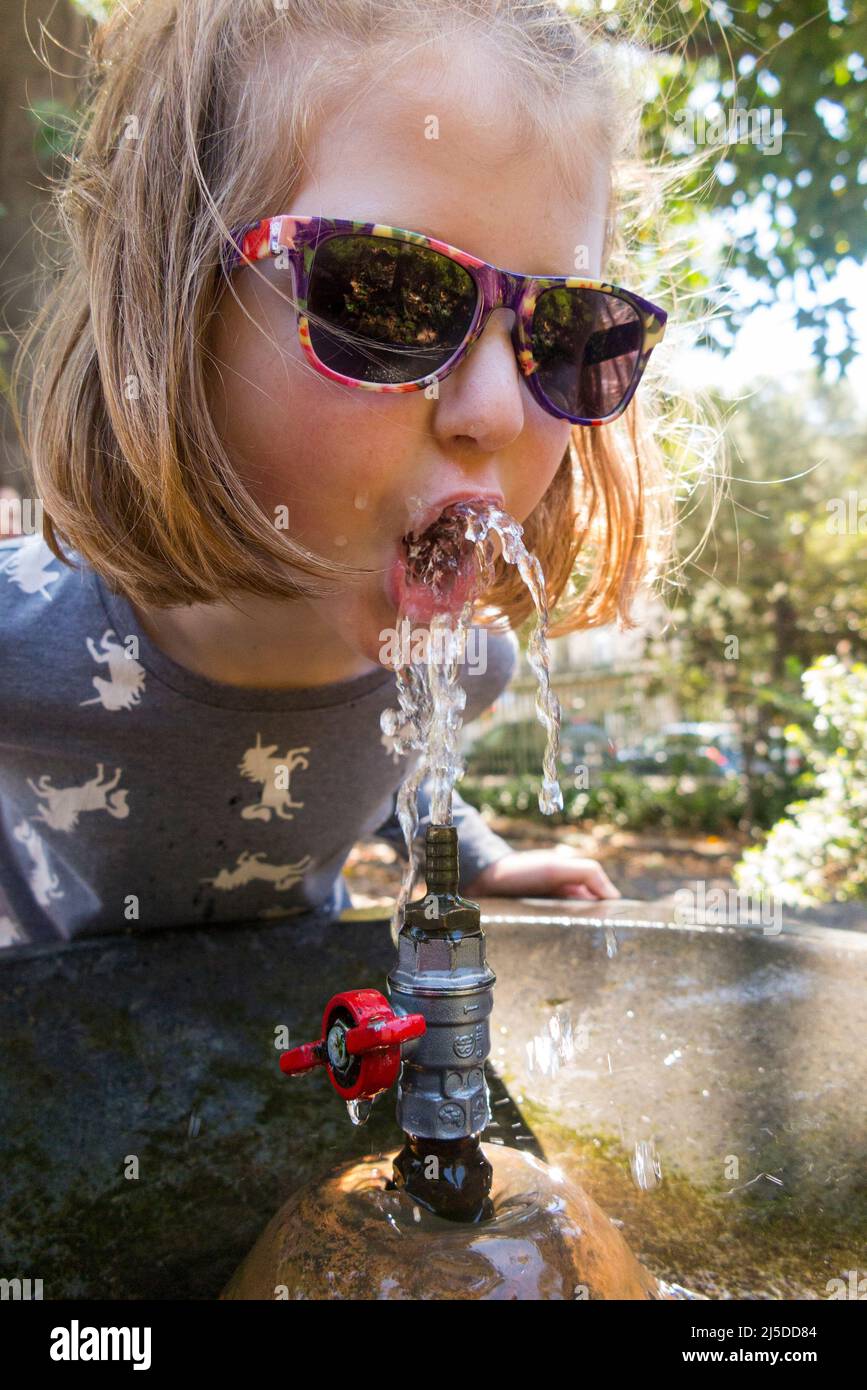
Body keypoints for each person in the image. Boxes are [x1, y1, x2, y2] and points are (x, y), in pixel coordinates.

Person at [2, 0, 703, 944]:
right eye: (394, 297)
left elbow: (400, 759)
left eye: (571, 333)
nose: (495, 412)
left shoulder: (462, 664)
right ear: (168, 308)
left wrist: (481, 859)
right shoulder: (24, 650)